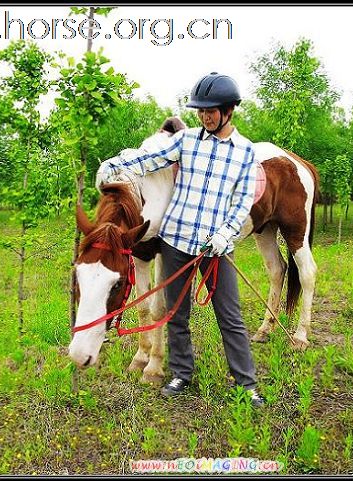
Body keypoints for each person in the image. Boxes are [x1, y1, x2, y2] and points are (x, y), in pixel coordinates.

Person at [97, 72, 265, 408]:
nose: (205, 116)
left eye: (212, 111)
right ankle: (181, 373)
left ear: (229, 110)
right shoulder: (187, 140)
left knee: (229, 316)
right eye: (201, 111)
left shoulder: (245, 153)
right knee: (176, 313)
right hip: (175, 241)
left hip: (214, 248)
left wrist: (225, 234)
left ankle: (245, 383)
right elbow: (148, 160)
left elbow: (242, 201)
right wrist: (114, 164)